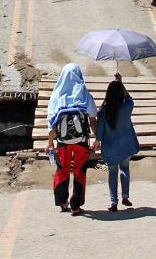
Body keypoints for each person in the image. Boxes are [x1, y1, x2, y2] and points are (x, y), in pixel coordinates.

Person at [46, 63, 97, 215]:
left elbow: (51, 123)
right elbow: (93, 119)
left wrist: (50, 144)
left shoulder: (56, 94)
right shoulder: (83, 93)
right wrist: (98, 138)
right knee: (79, 171)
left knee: (62, 170)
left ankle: (62, 202)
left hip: (62, 143)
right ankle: (76, 206)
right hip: (81, 142)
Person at [94, 75, 139, 211]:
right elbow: (130, 99)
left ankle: (114, 202)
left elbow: (100, 131)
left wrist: (97, 141)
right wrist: (121, 83)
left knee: (112, 173)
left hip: (110, 147)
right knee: (124, 169)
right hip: (125, 144)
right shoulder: (126, 108)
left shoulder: (103, 112)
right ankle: (125, 196)